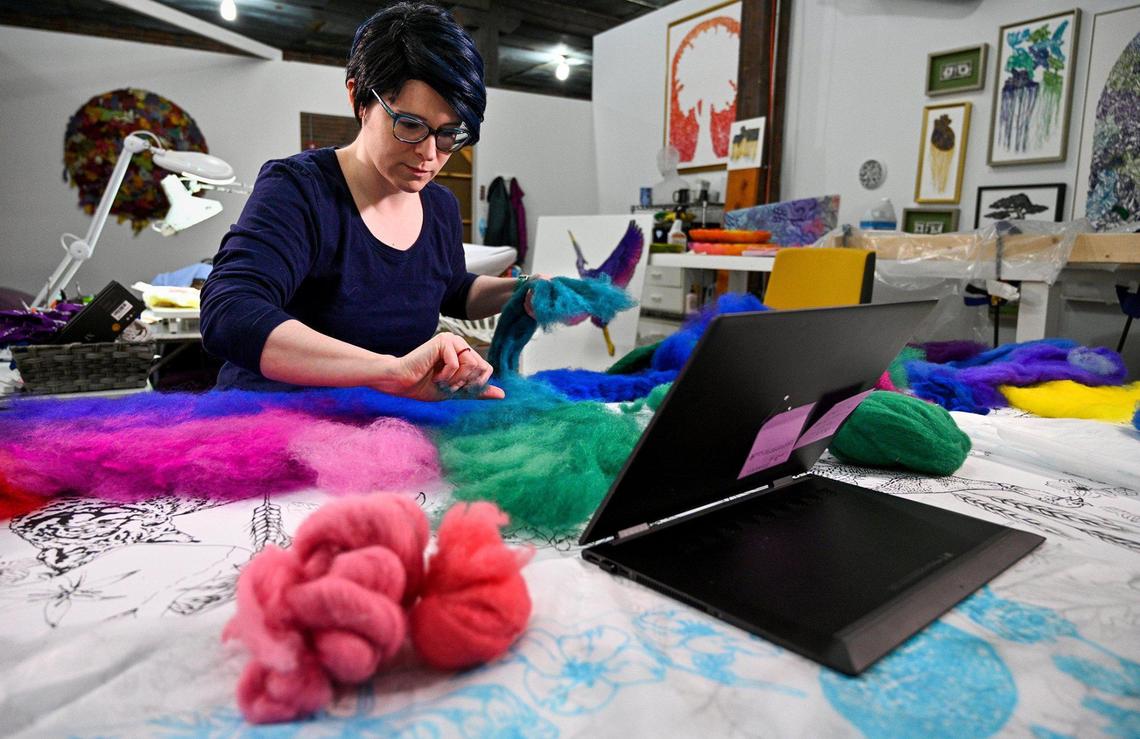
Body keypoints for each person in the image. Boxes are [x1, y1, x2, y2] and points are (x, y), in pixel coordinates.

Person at [200, 2, 531, 401]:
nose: (429, 154)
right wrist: (388, 373)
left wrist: (523, 290)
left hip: (381, 422)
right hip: (273, 418)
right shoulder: (300, 190)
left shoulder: (439, 205)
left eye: (449, 135)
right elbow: (230, 312)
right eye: (410, 125)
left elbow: (451, 290)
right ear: (358, 98)